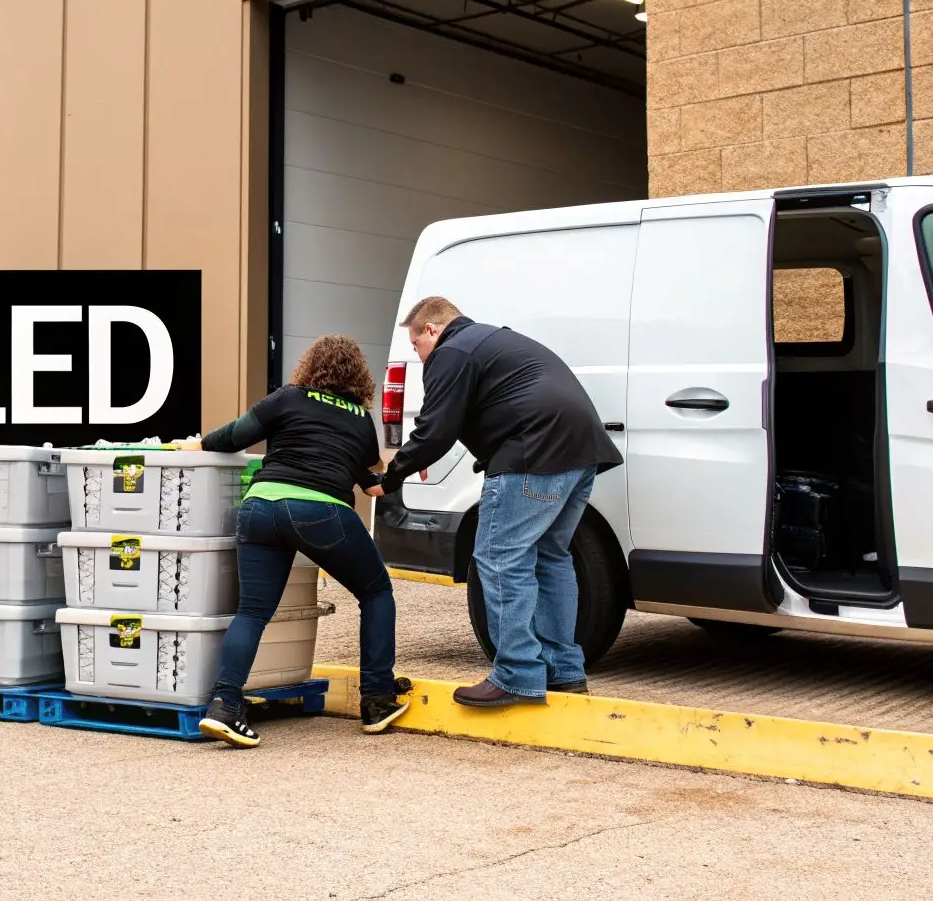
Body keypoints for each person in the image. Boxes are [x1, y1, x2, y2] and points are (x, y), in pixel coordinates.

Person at [378, 296, 622, 707]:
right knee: (551, 556)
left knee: (498, 557)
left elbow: (436, 425)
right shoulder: (494, 341)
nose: (419, 357)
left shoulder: (452, 349)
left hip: (533, 455)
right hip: (581, 454)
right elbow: (458, 421)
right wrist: (421, 455)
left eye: (416, 346)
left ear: (432, 330)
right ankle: (563, 671)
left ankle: (516, 675)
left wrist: (391, 475)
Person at [178, 334, 410, 747]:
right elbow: (372, 484)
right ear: (359, 378)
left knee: (251, 612)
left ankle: (225, 706)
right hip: (320, 513)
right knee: (376, 592)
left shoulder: (288, 397)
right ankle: (377, 699)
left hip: (261, 508)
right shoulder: (359, 418)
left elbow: (235, 434)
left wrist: (196, 444)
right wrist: (405, 470)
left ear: (310, 367)